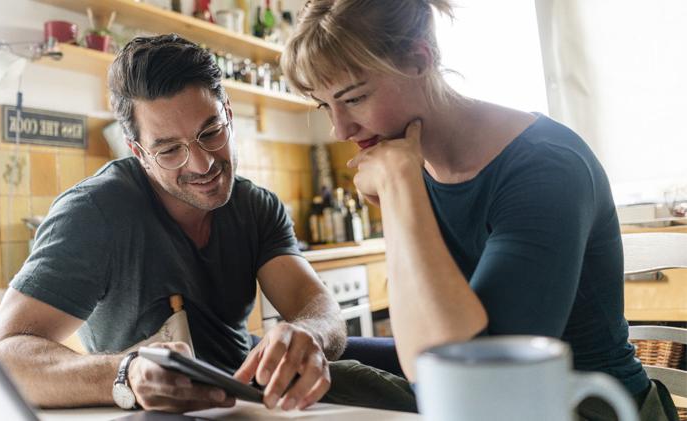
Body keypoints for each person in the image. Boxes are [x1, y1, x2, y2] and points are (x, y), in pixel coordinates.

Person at [281, 1, 679, 420]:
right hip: (482, 397)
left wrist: (399, 189)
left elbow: (480, 378)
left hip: (585, 407)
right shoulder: (410, 163)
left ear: (420, 59)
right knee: (296, 379)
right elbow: (429, 346)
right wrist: (307, 346)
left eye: (355, 98)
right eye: (325, 106)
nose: (340, 130)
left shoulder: (546, 166)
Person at [0, 34, 347, 414]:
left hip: (251, 405)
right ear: (138, 153)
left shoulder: (256, 206)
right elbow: (1, 354)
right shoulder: (94, 213)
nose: (202, 164)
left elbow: (319, 307)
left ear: (229, 114)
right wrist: (125, 374)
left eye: (211, 133)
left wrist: (310, 334)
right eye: (170, 150)